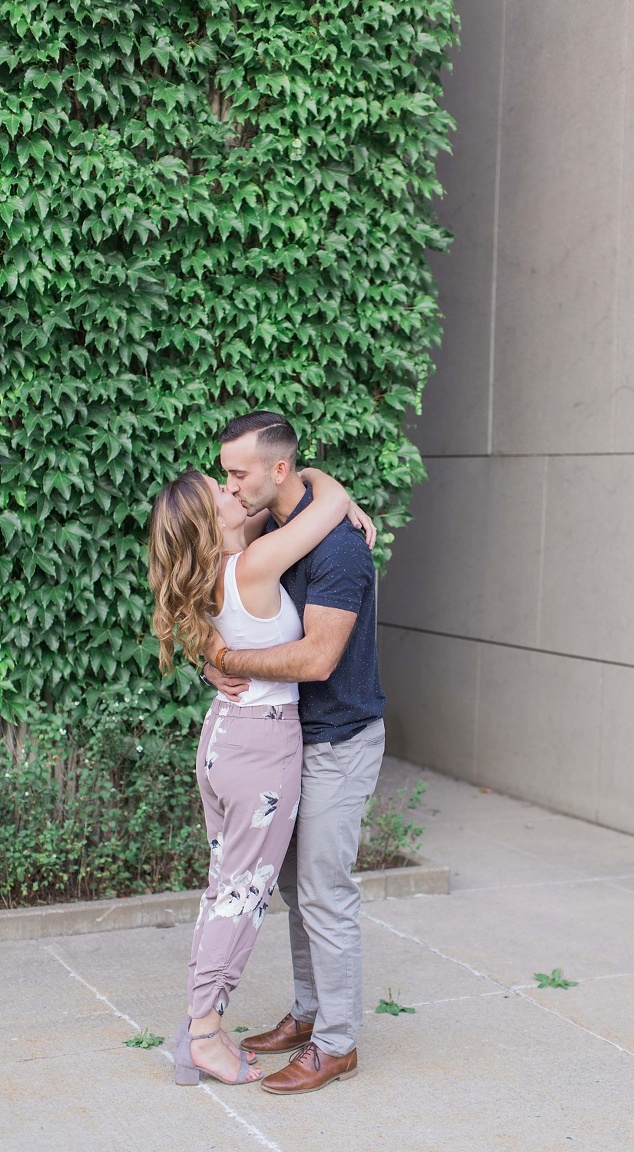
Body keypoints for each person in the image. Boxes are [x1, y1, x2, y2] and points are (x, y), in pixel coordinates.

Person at [148, 463, 368, 1086]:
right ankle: (203, 1036)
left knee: (225, 888)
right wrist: (321, 477)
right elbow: (326, 506)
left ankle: (198, 1021)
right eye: (220, 490)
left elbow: (279, 515)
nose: (232, 490)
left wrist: (217, 658)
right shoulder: (253, 566)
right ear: (209, 521)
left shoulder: (218, 573)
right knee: (242, 897)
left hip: (225, 737)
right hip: (261, 744)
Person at [202, 410, 387, 1095]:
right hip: (285, 742)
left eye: (238, 473)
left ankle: (338, 1044)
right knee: (291, 887)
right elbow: (220, 601)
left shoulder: (339, 549)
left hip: (339, 738)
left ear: (277, 470)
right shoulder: (273, 525)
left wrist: (228, 657)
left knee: (324, 891)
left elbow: (316, 656)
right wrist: (212, 656)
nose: (231, 485)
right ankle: (310, 1014)